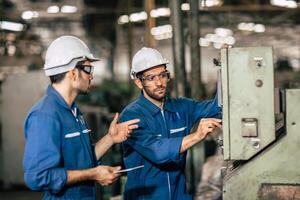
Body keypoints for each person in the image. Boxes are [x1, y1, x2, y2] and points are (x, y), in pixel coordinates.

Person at [23, 35, 140, 200]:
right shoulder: (45, 116)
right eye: (88, 69)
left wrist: (111, 138)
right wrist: (93, 174)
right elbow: (37, 177)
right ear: (72, 73)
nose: (91, 76)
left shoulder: (73, 111)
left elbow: (83, 159)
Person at [119, 47, 222, 200]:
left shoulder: (181, 107)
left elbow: (218, 107)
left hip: (178, 195)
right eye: (151, 78)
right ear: (139, 82)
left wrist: (225, 69)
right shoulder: (131, 116)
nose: (159, 83)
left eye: (162, 75)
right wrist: (197, 135)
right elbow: (158, 152)